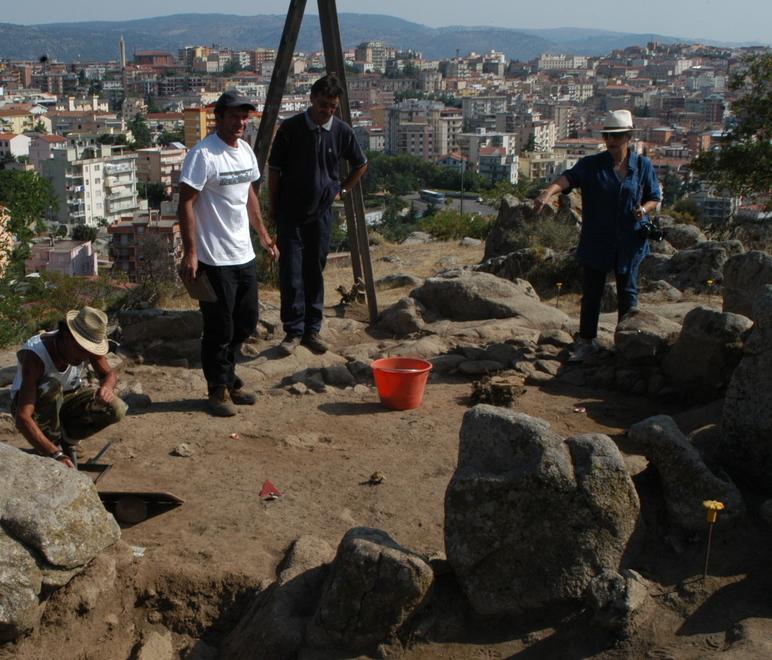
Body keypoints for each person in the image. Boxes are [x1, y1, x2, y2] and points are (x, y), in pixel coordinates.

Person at [178, 90, 278, 417]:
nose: (240, 122)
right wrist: (190, 252)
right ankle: (217, 389)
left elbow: (249, 193)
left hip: (242, 254)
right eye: (234, 116)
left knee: (245, 322)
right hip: (213, 257)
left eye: (244, 116)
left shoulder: (245, 151)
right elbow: (186, 203)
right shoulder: (203, 155)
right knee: (219, 327)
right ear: (218, 117)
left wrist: (262, 235)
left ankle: (229, 376)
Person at [533, 109, 661, 362]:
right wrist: (549, 192)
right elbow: (569, 177)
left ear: (629, 137)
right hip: (597, 238)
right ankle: (587, 342)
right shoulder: (592, 165)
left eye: (617, 136)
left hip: (629, 240)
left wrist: (642, 210)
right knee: (592, 293)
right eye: (608, 135)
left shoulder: (642, 165)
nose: (611, 141)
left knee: (628, 293)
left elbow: (654, 197)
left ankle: (625, 343)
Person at [267, 73, 368, 356]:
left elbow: (360, 164)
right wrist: (273, 208)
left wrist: (343, 190)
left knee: (315, 270)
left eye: (332, 107)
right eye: (323, 104)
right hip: (291, 213)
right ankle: (293, 331)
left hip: (321, 214)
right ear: (312, 99)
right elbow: (274, 170)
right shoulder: (291, 128)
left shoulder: (342, 131)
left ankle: (312, 329)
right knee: (291, 273)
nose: (327, 111)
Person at [10, 306, 127, 468]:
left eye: (88, 351)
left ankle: (67, 441)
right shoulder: (35, 356)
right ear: (66, 335)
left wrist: (107, 388)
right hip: (35, 404)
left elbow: (109, 374)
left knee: (116, 408)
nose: (85, 356)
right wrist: (55, 454)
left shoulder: (86, 346)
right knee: (51, 386)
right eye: (80, 350)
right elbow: (22, 417)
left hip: (67, 398)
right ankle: (50, 445)